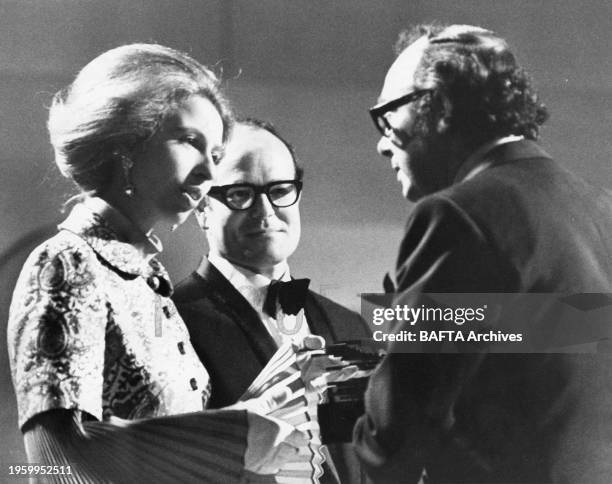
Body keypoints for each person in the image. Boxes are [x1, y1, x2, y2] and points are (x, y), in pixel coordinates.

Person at [7, 43, 314, 483]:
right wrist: (233, 435)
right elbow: (55, 457)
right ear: (128, 141)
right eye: (190, 142)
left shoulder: (150, 278)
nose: (208, 175)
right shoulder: (66, 264)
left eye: (214, 155)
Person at [352, 24, 612, 483]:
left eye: (388, 116)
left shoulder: (456, 216)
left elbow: (399, 432)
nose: (381, 142)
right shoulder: (600, 207)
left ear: (441, 107)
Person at [173, 118, 371, 483]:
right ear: (201, 207)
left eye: (280, 190)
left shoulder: (349, 324)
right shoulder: (173, 321)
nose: (265, 211)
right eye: (240, 194)